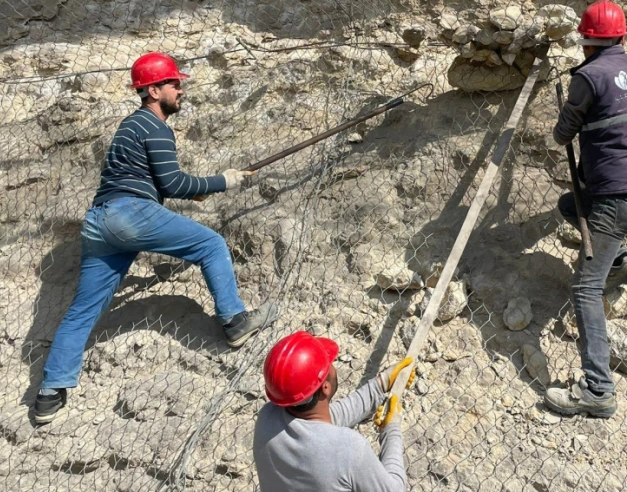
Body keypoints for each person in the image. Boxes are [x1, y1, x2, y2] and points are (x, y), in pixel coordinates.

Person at [32, 52, 278, 423]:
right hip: (130, 214)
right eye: (174, 83)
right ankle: (234, 321)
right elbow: (172, 183)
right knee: (211, 245)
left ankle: (50, 393)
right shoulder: (154, 125)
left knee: (83, 311)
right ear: (151, 90)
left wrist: (194, 190)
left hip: (100, 223)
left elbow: (149, 180)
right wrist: (222, 181)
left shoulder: (130, 127)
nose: (180, 89)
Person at [544, 0, 627, 418]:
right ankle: (623, 264)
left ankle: (598, 389)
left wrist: (568, 114)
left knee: (584, 289)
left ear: (587, 43)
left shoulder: (589, 76)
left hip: (616, 195)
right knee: (569, 204)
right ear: (623, 36)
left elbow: (563, 134)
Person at [253, 331, 412, 492]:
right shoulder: (349, 449)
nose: (332, 363)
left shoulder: (267, 419)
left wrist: (380, 384)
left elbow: (323, 424)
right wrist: (390, 428)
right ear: (326, 388)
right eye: (328, 364)